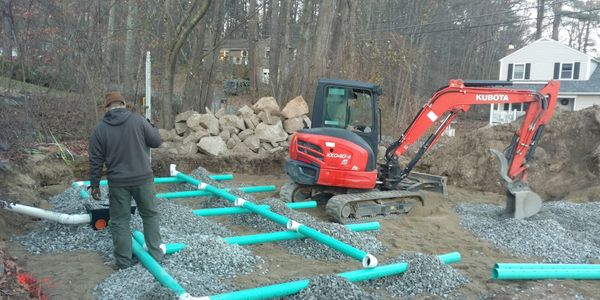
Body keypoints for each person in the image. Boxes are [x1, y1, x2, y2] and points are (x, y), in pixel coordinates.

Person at [88, 91, 163, 269]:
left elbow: (95, 160)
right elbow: (156, 141)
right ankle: (156, 256)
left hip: (118, 183)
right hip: (143, 179)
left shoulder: (100, 130)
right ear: (123, 104)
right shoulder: (138, 121)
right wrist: (152, 127)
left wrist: (95, 184)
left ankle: (123, 262)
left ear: (107, 108)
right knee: (150, 215)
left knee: (120, 221)